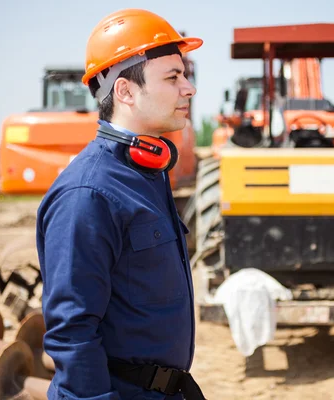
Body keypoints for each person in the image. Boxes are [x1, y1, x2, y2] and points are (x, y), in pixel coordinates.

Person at [35, 8, 205, 400]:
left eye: (185, 75)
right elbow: (72, 333)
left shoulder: (147, 175)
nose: (188, 89)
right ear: (126, 91)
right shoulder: (89, 195)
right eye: (173, 77)